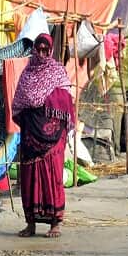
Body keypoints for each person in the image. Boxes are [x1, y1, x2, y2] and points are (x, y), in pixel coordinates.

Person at [11, 33, 74, 238]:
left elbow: (66, 104)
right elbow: (19, 103)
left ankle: (55, 223)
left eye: (45, 50)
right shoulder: (26, 73)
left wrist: (52, 121)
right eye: (38, 49)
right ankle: (31, 224)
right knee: (29, 179)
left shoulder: (58, 72)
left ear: (51, 50)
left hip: (53, 137)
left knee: (52, 177)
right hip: (30, 135)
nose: (41, 53)